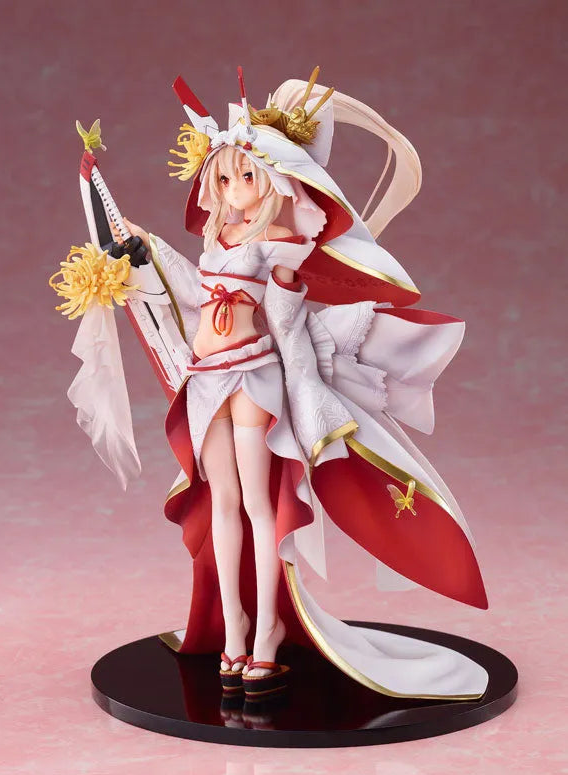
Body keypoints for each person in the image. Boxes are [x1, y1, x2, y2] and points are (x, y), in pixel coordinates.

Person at [108, 68, 490, 700]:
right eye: (222, 179)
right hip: (207, 380)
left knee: (260, 508)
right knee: (224, 502)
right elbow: (195, 293)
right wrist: (142, 246)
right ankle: (234, 631)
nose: (233, 190)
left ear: (273, 179)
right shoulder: (219, 236)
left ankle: (266, 637)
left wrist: (305, 383)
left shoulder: (278, 241)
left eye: (245, 176)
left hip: (254, 378)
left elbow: (285, 325)